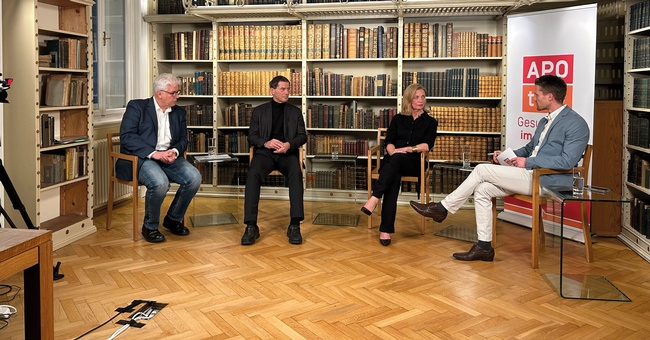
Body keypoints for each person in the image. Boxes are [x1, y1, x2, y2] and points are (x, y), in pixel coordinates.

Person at [410, 74, 590, 261]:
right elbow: (530, 149)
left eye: (536, 94)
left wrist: (528, 162)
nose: (533, 97)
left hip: (548, 181)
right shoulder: (545, 121)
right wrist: (507, 155)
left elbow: (567, 162)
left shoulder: (576, 124)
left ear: (549, 97)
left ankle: (442, 208)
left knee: (481, 169)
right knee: (482, 189)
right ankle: (484, 247)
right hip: (530, 173)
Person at [118, 73, 202, 243]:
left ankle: (172, 219)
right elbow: (127, 136)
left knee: (194, 178)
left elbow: (182, 140)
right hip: (144, 158)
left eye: (178, 92)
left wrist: (175, 152)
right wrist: (155, 154)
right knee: (160, 183)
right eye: (174, 93)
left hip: (169, 157)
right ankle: (150, 226)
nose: (178, 96)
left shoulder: (179, 112)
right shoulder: (137, 107)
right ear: (160, 93)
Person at [361, 83, 438, 246]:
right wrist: (393, 151)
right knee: (393, 176)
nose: (420, 100)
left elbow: (427, 145)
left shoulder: (431, 122)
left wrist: (406, 149)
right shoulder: (398, 119)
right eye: (416, 97)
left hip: (415, 162)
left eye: (423, 96)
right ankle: (385, 230)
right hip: (394, 161)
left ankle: (374, 199)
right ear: (409, 99)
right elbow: (388, 142)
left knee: (394, 162)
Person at [241, 75, 307, 246]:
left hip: (287, 153)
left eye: (288, 89)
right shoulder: (259, 111)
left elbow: (302, 136)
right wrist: (266, 142)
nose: (286, 93)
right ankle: (251, 226)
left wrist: (289, 145)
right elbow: (252, 137)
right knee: (253, 173)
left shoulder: (295, 111)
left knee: (296, 173)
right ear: (272, 90)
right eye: (282, 89)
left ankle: (294, 225)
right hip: (265, 153)